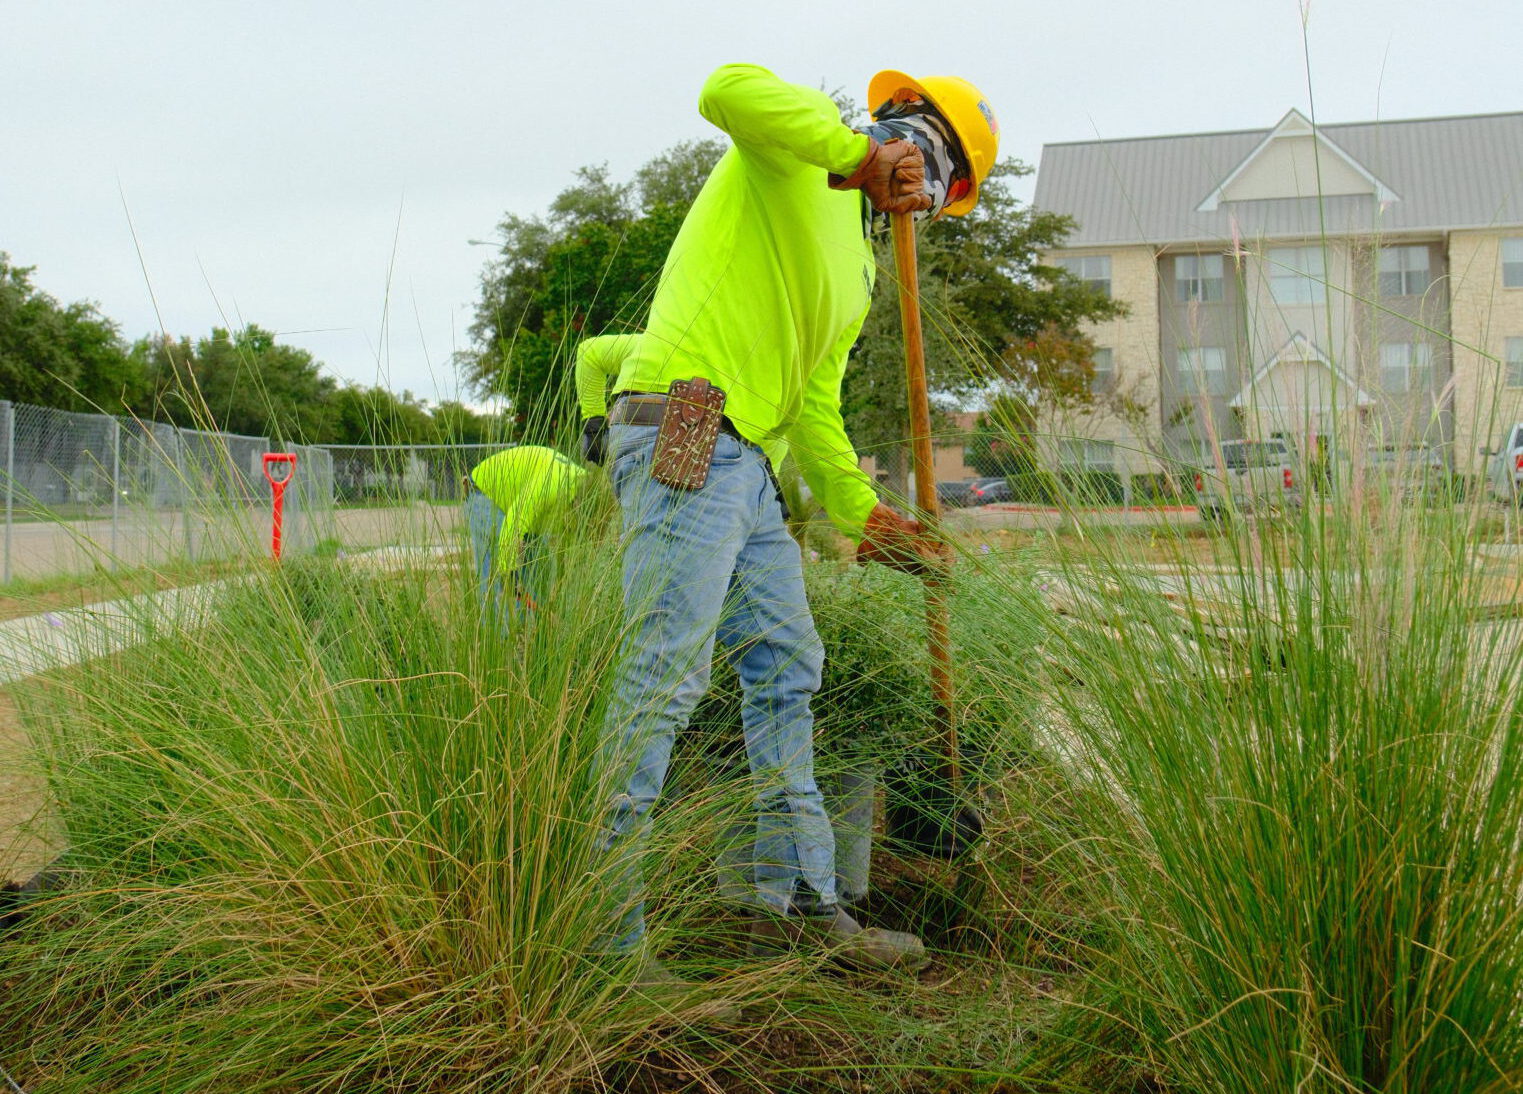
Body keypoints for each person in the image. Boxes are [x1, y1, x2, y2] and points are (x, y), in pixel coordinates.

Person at [590, 63, 999, 980]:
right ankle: (604, 944)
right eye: (936, 178)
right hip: (686, 421)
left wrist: (867, 517)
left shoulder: (856, 267)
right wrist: (857, 154)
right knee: (664, 674)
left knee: (787, 667)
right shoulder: (802, 142)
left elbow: (815, 404)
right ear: (913, 134)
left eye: (934, 196)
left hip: (749, 467)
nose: (921, 198)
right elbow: (723, 89)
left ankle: (798, 906)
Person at [464, 444, 587, 619]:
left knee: (540, 570)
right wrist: (511, 576)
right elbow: (512, 526)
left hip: (519, 503)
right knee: (498, 586)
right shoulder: (554, 485)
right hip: (487, 495)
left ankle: (533, 629)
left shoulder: (578, 487)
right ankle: (507, 634)